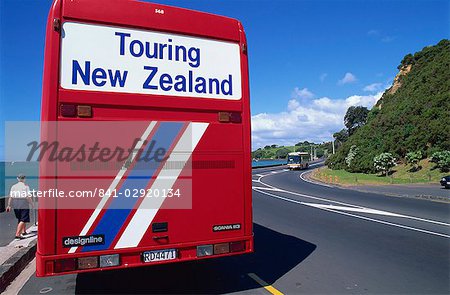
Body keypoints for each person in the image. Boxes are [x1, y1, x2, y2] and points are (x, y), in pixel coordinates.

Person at [6, 173, 33, 239]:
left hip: (15, 202)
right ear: (24, 179)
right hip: (23, 202)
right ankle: (17, 234)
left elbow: (11, 196)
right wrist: (32, 204)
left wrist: (9, 205)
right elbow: (28, 197)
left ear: (17, 178)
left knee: (20, 218)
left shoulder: (14, 186)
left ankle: (23, 231)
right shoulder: (26, 186)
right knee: (23, 218)